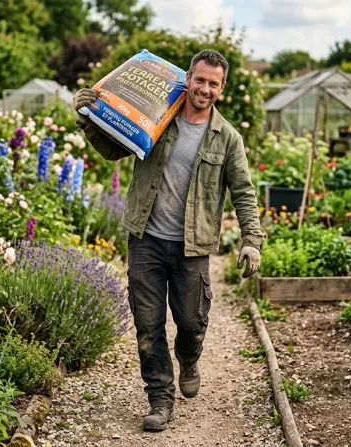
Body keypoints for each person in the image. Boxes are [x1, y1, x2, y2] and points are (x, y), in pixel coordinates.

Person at [73, 50, 264, 432]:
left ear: (221, 88)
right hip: (145, 238)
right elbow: (113, 149)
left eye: (213, 83)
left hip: (192, 247)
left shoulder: (227, 138)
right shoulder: (157, 117)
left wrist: (251, 240)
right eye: (200, 80)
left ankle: (189, 358)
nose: (204, 89)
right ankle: (160, 399)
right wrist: (87, 119)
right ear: (187, 78)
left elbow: (243, 191)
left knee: (192, 322)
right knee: (148, 325)